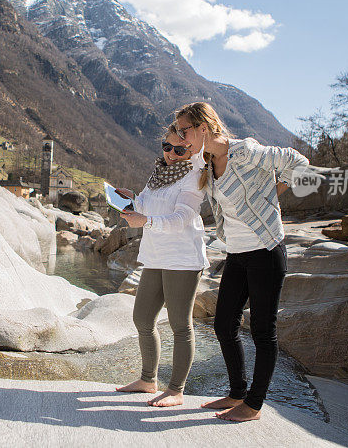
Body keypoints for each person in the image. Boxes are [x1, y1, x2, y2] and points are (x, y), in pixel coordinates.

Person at [174, 102, 309, 422]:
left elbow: (298, 161)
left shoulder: (246, 151)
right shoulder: (207, 163)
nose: (180, 137)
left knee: (263, 330)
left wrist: (274, 193)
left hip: (265, 250)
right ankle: (236, 393)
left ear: (203, 129)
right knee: (224, 324)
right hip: (236, 254)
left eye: (184, 130)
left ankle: (254, 404)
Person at [114, 123, 209, 407]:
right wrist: (132, 198)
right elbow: (146, 203)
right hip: (156, 254)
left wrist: (147, 221)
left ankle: (176, 390)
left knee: (180, 325)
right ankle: (148, 380)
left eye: (179, 150)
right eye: (166, 147)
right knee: (142, 318)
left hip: (182, 257)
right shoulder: (159, 173)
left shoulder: (194, 176)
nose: (170, 154)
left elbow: (182, 218)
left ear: (191, 151)